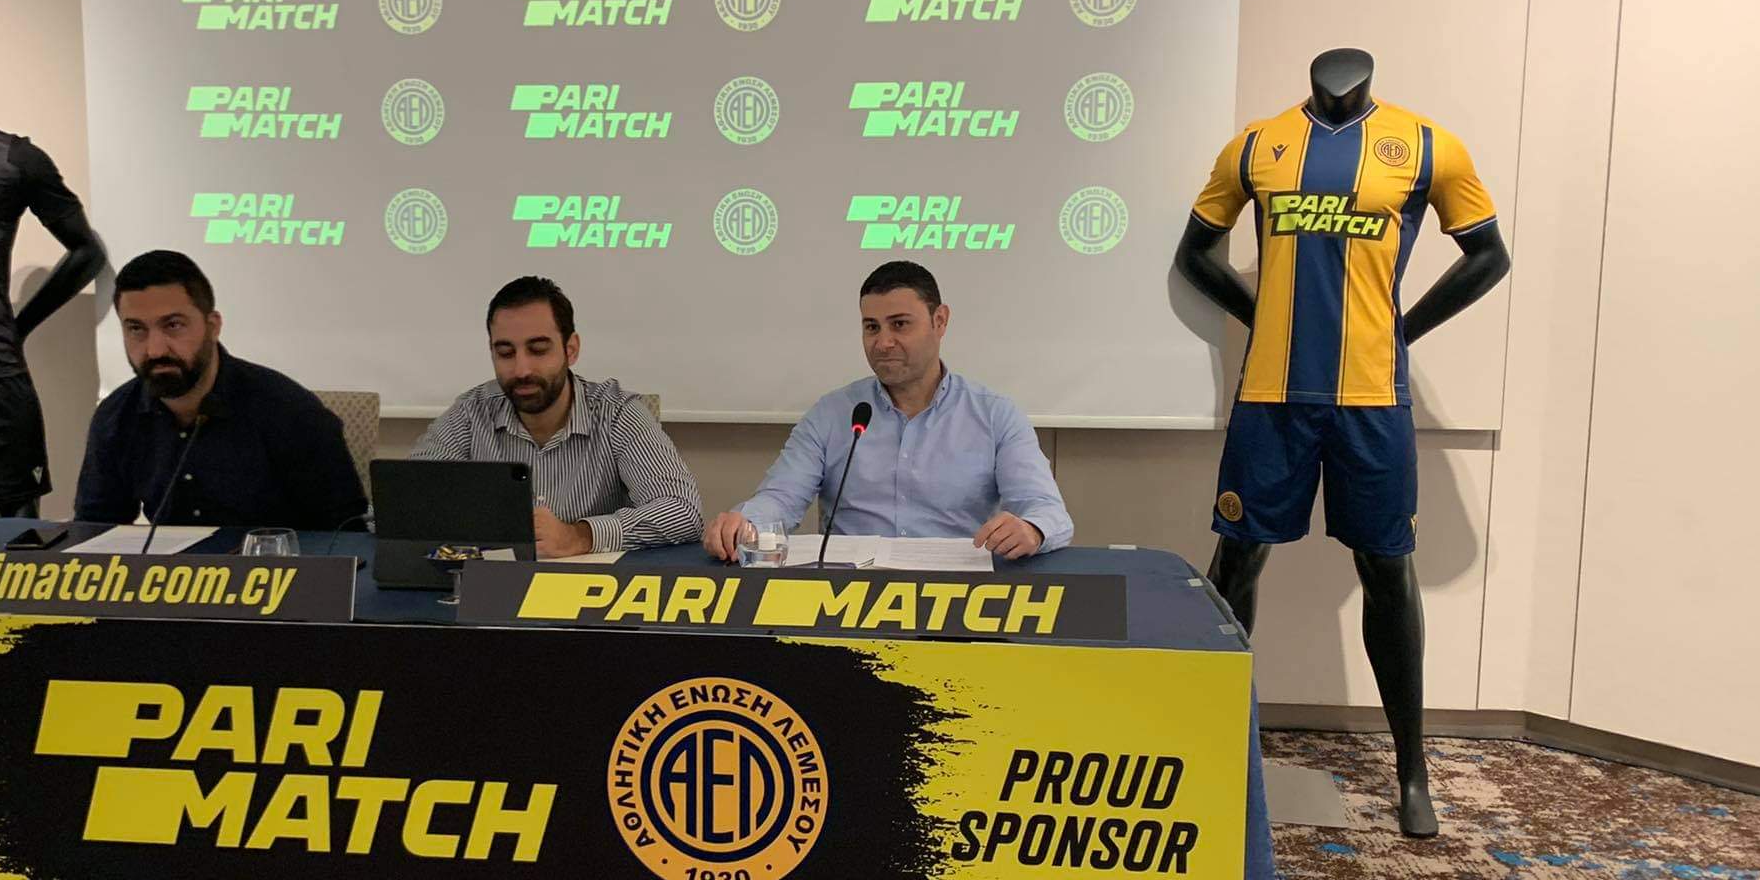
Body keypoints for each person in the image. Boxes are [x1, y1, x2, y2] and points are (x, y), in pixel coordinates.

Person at [705, 261, 1072, 562]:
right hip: (848, 598)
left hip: (956, 597)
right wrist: (746, 524)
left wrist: (1031, 530)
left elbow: (1046, 510)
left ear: (940, 321)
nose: (883, 342)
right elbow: (781, 498)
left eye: (900, 324)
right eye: (871, 327)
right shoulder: (833, 414)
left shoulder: (994, 415)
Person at [74, 250, 367, 532]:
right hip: (170, 567)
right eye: (136, 329)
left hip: (276, 565)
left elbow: (344, 536)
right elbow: (94, 530)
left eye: (173, 325)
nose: (155, 349)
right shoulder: (116, 417)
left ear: (213, 326)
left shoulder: (291, 412)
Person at [410, 276, 703, 555]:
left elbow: (683, 512)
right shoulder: (470, 413)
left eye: (538, 350)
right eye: (506, 353)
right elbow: (405, 504)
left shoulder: (617, 413)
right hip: (496, 583)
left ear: (571, 350)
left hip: (590, 586)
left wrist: (580, 536)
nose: (522, 370)